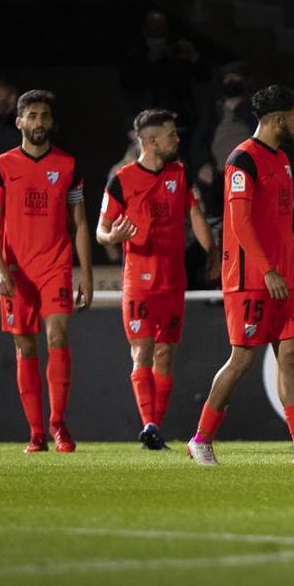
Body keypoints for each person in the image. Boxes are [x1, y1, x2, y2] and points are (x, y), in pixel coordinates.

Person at [185, 85, 294, 467]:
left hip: (283, 276)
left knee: (291, 356)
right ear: (276, 120)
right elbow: (238, 223)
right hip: (252, 278)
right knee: (241, 360)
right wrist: (268, 270)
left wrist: (286, 268)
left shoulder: (282, 159)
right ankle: (201, 438)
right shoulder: (243, 160)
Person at [96, 109, 219, 450]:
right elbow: (101, 231)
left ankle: (154, 428)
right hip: (140, 282)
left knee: (165, 354)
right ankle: (149, 423)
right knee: (142, 350)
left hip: (173, 280)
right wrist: (112, 237)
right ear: (151, 141)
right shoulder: (121, 179)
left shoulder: (179, 174)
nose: (177, 140)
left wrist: (211, 253)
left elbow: (194, 214)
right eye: (171, 135)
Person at [0, 89, 93, 452]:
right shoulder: (2, 165)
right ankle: (35, 433)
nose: (39, 122)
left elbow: (78, 221)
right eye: (32, 116)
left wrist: (86, 276)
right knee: (24, 345)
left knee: (58, 336)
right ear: (19, 122)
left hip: (55, 266)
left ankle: (59, 426)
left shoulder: (68, 165)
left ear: (51, 122)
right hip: (16, 271)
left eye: (44, 116)